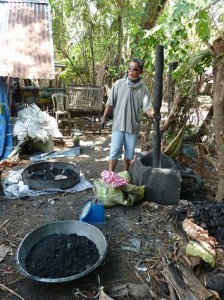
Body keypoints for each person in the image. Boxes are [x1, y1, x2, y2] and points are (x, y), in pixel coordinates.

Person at [101, 58, 155, 172]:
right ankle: (111, 175)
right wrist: (104, 117)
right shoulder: (118, 84)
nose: (131, 71)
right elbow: (110, 103)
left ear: (141, 71)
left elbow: (148, 109)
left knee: (129, 153)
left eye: (135, 69)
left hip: (132, 126)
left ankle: (125, 173)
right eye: (129, 68)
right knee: (115, 151)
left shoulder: (143, 90)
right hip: (118, 125)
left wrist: (154, 115)